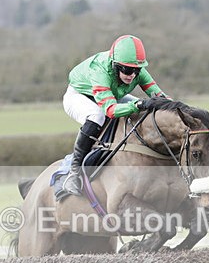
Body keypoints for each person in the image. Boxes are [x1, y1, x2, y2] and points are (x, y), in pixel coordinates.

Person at [61, 34, 169, 196]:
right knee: (97, 115)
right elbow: (110, 110)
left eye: (136, 70)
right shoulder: (100, 71)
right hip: (79, 96)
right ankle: (74, 172)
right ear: (115, 65)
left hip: (109, 94)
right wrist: (139, 104)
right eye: (127, 70)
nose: (132, 75)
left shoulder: (136, 70)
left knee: (145, 109)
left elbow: (161, 98)